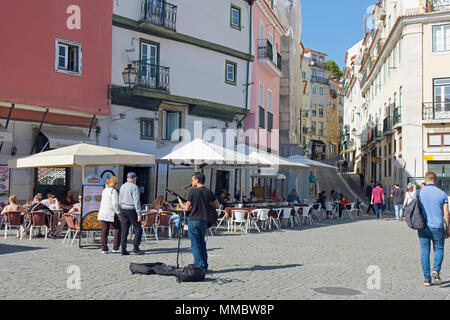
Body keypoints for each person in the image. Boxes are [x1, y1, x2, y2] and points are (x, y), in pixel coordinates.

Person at [177, 172, 220, 272]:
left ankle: (199, 266)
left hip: (194, 220)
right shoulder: (209, 192)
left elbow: (186, 208)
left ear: (197, 180)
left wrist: (180, 202)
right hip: (204, 221)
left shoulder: (192, 192)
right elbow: (217, 205)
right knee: (202, 243)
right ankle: (204, 265)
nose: (191, 182)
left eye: (192, 180)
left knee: (195, 244)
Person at [417, 171, 450, 286]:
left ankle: (427, 279)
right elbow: (446, 213)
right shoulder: (442, 194)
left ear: (425, 180)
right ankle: (435, 270)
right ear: (435, 180)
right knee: (439, 249)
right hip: (438, 226)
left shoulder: (420, 193)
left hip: (423, 226)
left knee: (425, 252)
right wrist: (448, 228)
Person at [119, 172, 143, 255]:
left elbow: (119, 199)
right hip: (131, 209)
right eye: (135, 178)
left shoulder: (122, 186)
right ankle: (136, 247)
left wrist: (120, 209)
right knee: (138, 228)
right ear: (134, 178)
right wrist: (139, 213)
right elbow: (136, 201)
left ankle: (123, 248)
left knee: (124, 230)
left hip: (123, 209)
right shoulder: (134, 187)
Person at [98, 176, 121, 254]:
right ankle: (116, 247)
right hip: (111, 212)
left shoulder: (104, 190)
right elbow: (115, 203)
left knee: (104, 230)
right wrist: (118, 213)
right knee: (118, 228)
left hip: (103, 212)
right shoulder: (113, 191)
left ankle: (104, 248)